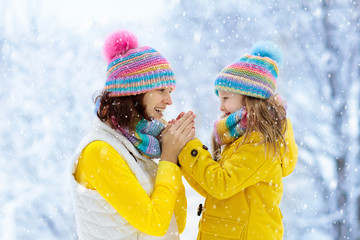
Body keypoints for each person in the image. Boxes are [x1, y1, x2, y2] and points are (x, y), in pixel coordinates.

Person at [71, 30, 195, 240]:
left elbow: (177, 222)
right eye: (161, 90)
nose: (169, 101)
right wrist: (168, 158)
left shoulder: (139, 148)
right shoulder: (99, 152)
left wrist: (176, 156)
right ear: (136, 92)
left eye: (170, 92)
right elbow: (155, 225)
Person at [166, 42, 298, 239]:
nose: (221, 107)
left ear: (250, 97)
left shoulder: (259, 141)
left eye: (226, 98)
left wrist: (189, 148)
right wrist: (181, 151)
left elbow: (221, 184)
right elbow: (211, 187)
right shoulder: (241, 137)